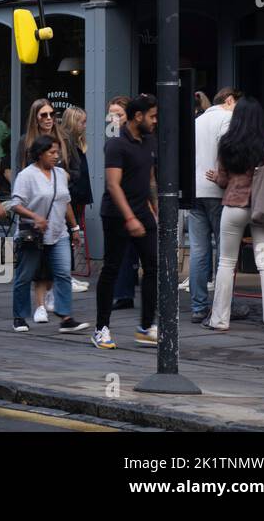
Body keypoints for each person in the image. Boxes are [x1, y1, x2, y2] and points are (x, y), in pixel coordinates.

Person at [205, 96, 264, 333]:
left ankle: (220, 319)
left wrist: (219, 178)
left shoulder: (228, 140)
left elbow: (222, 180)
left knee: (226, 263)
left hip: (234, 208)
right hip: (263, 209)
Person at [92, 94, 159, 350]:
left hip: (142, 211)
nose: (155, 121)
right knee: (111, 269)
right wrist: (129, 217)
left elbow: (150, 178)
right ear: (138, 116)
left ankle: (145, 327)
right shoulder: (116, 145)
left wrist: (154, 209)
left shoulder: (149, 141)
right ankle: (101, 329)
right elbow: (112, 184)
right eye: (151, 116)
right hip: (116, 214)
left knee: (152, 266)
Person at [7, 134, 88, 334]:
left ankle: (66, 317)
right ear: (40, 154)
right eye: (51, 152)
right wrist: (35, 217)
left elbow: (65, 201)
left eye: (57, 152)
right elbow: (15, 204)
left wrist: (75, 227)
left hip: (59, 233)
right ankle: (19, 317)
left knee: (62, 273)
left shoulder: (60, 174)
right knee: (25, 276)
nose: (56, 156)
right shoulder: (27, 175)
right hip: (33, 234)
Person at [191, 87, 241, 324]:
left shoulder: (198, 121)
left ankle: (198, 306)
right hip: (218, 189)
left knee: (199, 250)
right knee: (225, 252)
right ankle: (224, 305)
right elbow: (228, 150)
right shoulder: (228, 118)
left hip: (196, 190)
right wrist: (225, 175)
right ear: (230, 101)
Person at [10, 99, 60, 323]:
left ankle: (50, 299)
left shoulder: (61, 141)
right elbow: (19, 176)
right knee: (27, 269)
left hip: (56, 210)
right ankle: (23, 314)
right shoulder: (26, 145)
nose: (49, 119)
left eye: (51, 114)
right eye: (43, 115)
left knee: (54, 264)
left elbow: (71, 168)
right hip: (31, 214)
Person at [106, 95, 140, 310]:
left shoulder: (135, 140)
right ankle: (123, 292)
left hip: (135, 197)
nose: (113, 119)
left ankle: (126, 291)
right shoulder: (113, 139)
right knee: (120, 249)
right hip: (117, 199)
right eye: (110, 115)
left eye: (118, 115)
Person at [58, 106, 92, 294]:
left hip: (77, 194)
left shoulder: (76, 142)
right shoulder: (67, 142)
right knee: (68, 233)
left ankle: (67, 275)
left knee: (71, 234)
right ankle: (65, 276)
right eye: (82, 122)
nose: (84, 126)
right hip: (71, 194)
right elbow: (69, 169)